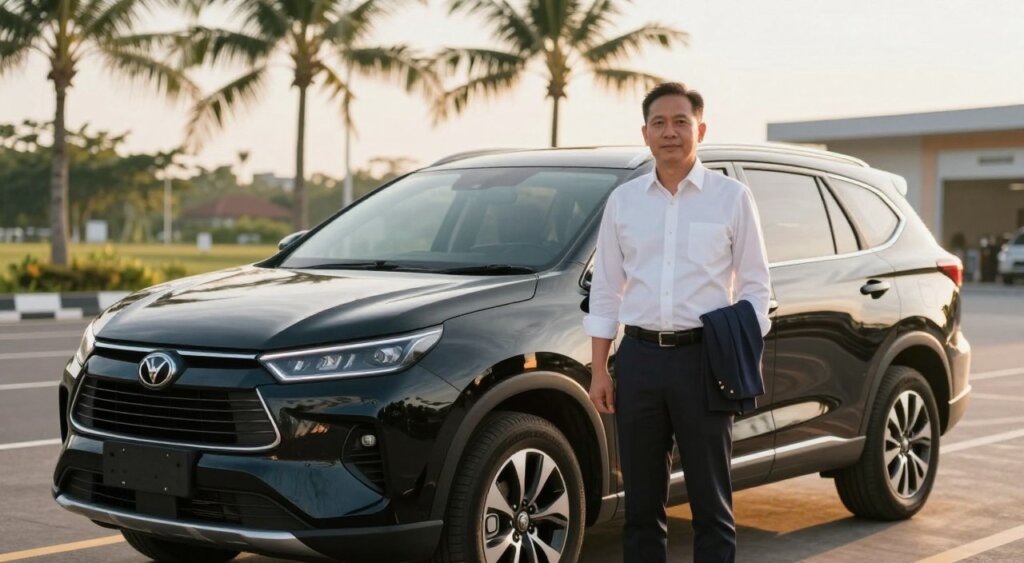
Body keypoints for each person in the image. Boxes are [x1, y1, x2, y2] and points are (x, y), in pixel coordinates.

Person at [584, 82, 772, 563]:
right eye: (659, 123)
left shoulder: (731, 198)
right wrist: (600, 369)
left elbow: (755, 287)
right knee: (641, 507)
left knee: (712, 504)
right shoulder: (624, 202)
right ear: (645, 133)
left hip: (704, 362)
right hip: (640, 362)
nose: (670, 132)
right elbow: (607, 288)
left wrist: (734, 347)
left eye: (681, 122)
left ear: (700, 130)